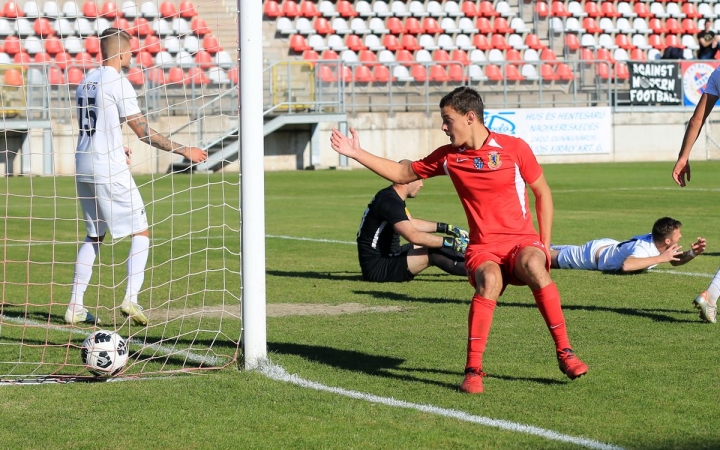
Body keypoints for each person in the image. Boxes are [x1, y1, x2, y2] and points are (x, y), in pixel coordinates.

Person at [330, 86, 588, 394]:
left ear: (469, 117)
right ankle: (473, 370)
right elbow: (401, 172)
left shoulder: (515, 148)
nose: (443, 127)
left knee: (535, 264)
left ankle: (565, 353)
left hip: (521, 241)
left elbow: (542, 192)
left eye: (446, 119)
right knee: (489, 280)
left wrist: (544, 244)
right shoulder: (449, 157)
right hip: (483, 247)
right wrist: (356, 152)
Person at [65, 28, 208, 326]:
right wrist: (185, 150)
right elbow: (143, 132)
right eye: (130, 51)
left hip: (83, 164)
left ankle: (75, 306)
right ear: (119, 53)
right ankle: (131, 298)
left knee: (94, 234)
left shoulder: (86, 81)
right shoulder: (119, 82)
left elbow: (99, 124)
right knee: (141, 231)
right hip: (108, 168)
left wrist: (118, 146)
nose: (132, 56)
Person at [673, 64, 720, 325]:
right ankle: (710, 295)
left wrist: (683, 156)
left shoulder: (718, 73)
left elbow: (697, 119)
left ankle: (711, 295)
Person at [357, 176, 468, 283]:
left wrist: (448, 228)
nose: (421, 184)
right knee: (435, 251)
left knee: (437, 244)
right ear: (407, 180)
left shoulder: (391, 195)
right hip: (378, 266)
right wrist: (451, 243)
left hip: (390, 254)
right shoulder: (390, 202)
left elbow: (410, 223)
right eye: (418, 179)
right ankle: (479, 272)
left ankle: (478, 261)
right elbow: (413, 236)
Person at [550, 217, 706, 273]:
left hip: (609, 246)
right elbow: (627, 266)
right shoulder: (642, 249)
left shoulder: (661, 244)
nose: (681, 236)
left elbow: (673, 260)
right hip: (591, 256)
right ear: (667, 241)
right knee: (548, 258)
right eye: (678, 234)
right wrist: (660, 259)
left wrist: (692, 253)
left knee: (547, 247)